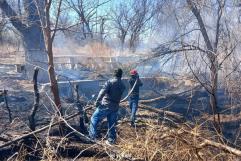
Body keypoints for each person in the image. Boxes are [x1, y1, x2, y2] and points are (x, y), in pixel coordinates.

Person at [89, 68, 125, 145]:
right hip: (115, 107)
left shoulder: (109, 82)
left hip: (106, 105)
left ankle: (92, 137)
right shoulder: (122, 85)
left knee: (94, 118)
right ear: (121, 75)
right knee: (111, 123)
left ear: (114, 74)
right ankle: (111, 140)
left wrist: (97, 101)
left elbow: (102, 92)